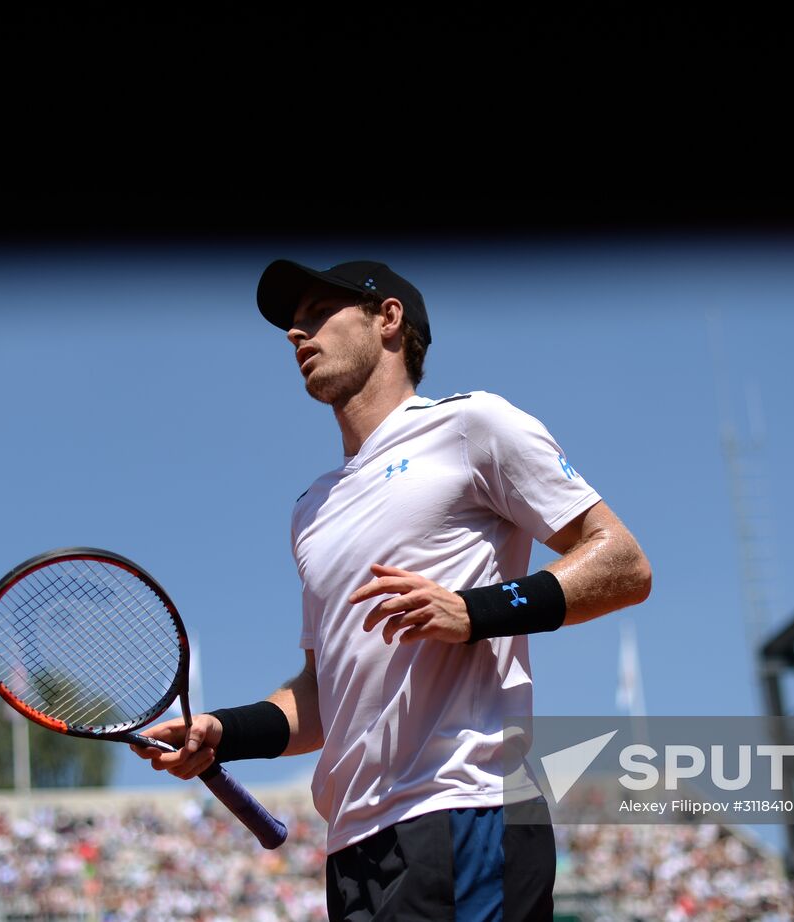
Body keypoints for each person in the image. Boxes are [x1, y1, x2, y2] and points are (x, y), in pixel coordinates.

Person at [132, 259, 652, 920]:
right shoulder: (311, 510)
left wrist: (474, 611)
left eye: (319, 311)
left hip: (466, 809)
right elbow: (322, 698)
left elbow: (623, 564)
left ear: (389, 319)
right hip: (354, 848)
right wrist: (220, 732)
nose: (297, 333)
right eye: (293, 323)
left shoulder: (474, 426)